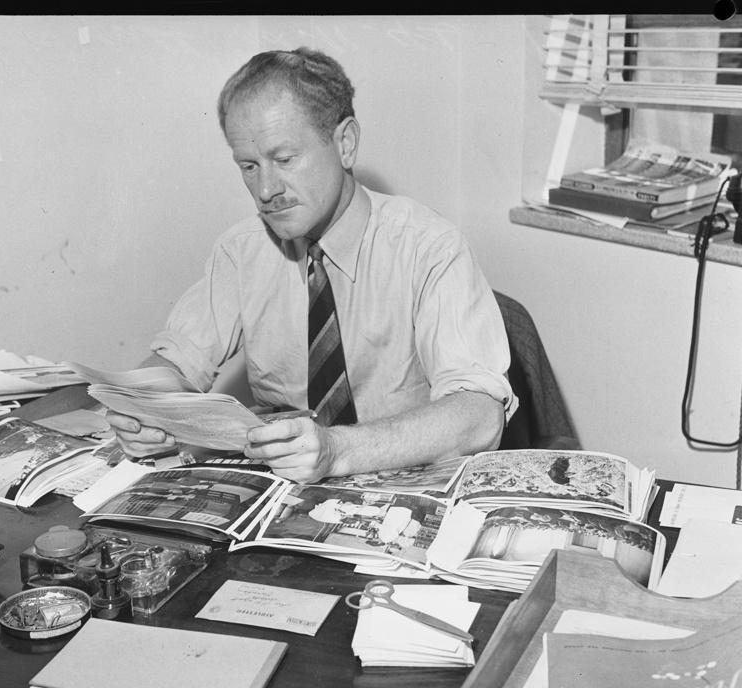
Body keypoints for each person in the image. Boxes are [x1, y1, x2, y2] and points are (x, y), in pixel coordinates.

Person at [108, 47, 517, 483]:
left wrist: (336, 450)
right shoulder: (241, 251)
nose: (265, 189)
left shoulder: (429, 247)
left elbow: (480, 416)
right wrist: (141, 409)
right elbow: (176, 360)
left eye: (284, 160)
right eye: (249, 166)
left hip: (404, 487)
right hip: (285, 496)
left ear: (345, 143)